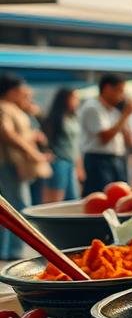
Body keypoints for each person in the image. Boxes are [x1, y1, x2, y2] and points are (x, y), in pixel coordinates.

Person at [0, 75, 51, 259]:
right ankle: (12, 253)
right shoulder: (4, 108)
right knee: (17, 207)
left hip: (14, 164)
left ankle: (9, 251)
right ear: (12, 91)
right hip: (9, 164)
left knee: (11, 207)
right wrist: (30, 151)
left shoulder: (13, 108)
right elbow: (6, 133)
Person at [79, 73, 132, 190]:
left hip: (117, 158)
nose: (121, 96)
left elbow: (130, 141)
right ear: (107, 89)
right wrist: (125, 115)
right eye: (119, 91)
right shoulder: (93, 107)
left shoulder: (115, 111)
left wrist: (125, 116)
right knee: (101, 195)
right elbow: (105, 138)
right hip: (99, 159)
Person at [40, 88, 83, 202]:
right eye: (74, 98)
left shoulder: (73, 117)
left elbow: (76, 144)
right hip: (58, 160)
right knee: (55, 199)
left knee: (73, 198)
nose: (77, 101)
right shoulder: (55, 118)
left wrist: (79, 165)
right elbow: (46, 139)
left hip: (71, 161)